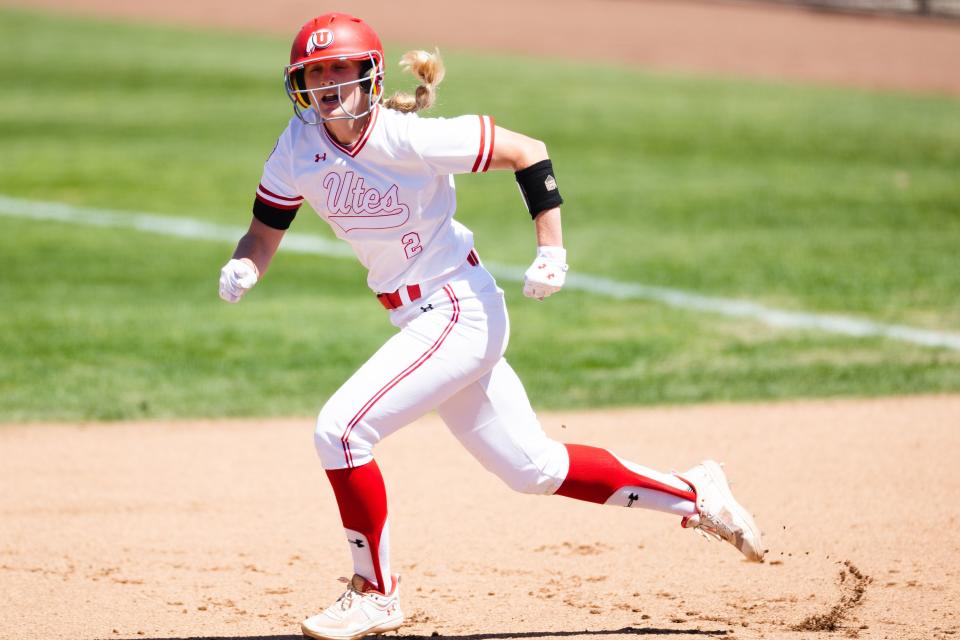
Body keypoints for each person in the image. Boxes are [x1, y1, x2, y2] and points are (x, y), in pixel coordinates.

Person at [218, 13, 764, 640]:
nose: (329, 81)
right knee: (532, 467)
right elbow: (264, 231)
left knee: (341, 431)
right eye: (316, 70)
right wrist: (245, 265)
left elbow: (527, 151)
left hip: (458, 310)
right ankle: (698, 495)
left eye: (341, 66)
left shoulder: (408, 139)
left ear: (369, 72)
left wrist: (551, 250)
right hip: (416, 317)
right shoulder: (297, 146)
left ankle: (376, 592)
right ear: (298, 82)